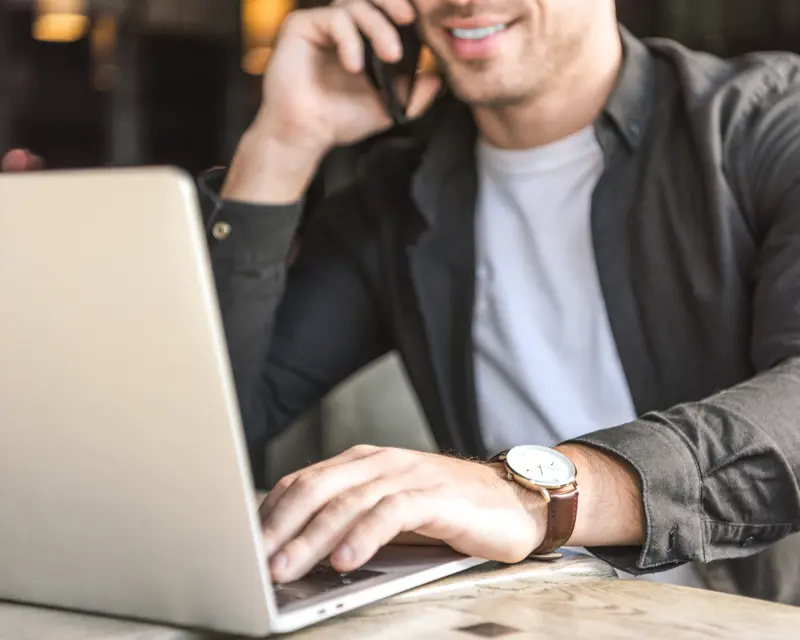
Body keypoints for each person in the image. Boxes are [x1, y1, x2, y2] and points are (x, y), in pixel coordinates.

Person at [7, 0, 800, 604]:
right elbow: (192, 433)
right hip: (519, 615)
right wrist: (285, 142)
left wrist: (533, 496)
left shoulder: (769, 121)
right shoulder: (399, 196)